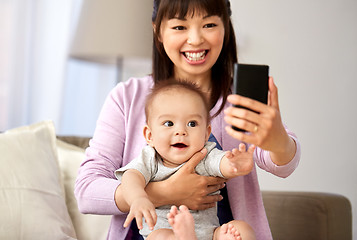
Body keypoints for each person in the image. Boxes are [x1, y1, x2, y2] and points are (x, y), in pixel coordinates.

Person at [74, 0, 301, 239]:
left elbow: (283, 163)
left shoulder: (238, 99)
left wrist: (277, 141)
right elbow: (87, 190)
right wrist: (165, 192)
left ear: (226, 26)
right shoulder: (127, 97)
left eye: (209, 24)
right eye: (180, 27)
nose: (195, 39)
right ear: (157, 30)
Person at [115, 80, 256, 240]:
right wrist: (138, 198)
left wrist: (234, 164)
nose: (181, 131)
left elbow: (221, 163)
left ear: (205, 133)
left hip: (210, 235)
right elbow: (131, 177)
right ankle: (182, 236)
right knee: (160, 237)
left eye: (192, 123)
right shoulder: (150, 158)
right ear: (150, 135)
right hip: (166, 231)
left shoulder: (205, 154)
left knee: (242, 230)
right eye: (169, 123)